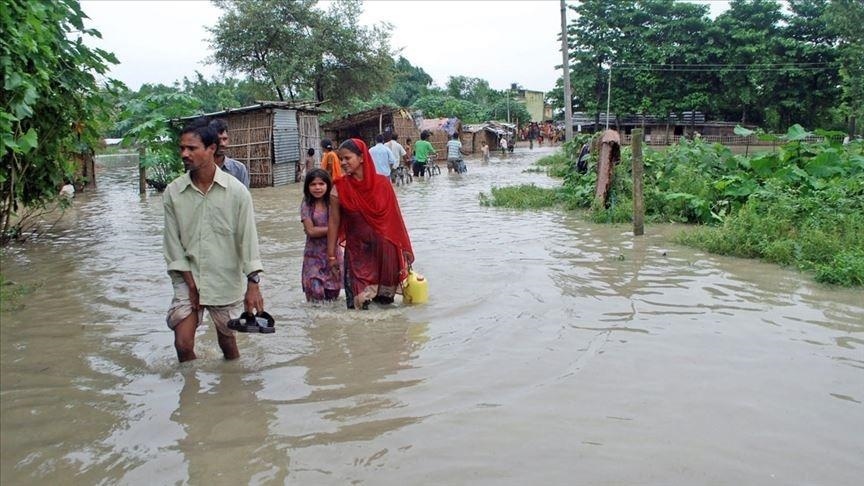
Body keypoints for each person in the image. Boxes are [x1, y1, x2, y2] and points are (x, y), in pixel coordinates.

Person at [163, 118, 264, 362]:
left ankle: (231, 388)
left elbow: (248, 239)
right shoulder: (173, 192)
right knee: (183, 344)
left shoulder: (237, 192)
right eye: (182, 148)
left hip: (223, 276)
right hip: (187, 278)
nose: (185, 154)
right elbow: (173, 245)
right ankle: (191, 394)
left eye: (192, 148)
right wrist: (192, 284)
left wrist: (253, 284)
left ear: (211, 149)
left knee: (227, 341)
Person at [326, 138, 414, 310]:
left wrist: (404, 248)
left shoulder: (383, 185)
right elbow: (334, 223)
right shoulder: (338, 188)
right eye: (341, 158)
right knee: (358, 307)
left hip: (385, 252)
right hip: (357, 253)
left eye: (347, 158)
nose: (343, 163)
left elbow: (395, 220)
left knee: (386, 308)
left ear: (361, 158)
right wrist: (331, 256)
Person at [301, 168, 343, 303]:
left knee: (333, 297)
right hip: (313, 258)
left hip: (333, 255)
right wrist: (335, 228)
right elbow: (311, 231)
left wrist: (333, 229)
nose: (317, 188)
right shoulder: (307, 204)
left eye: (321, 184)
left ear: (328, 185)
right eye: (313, 184)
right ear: (307, 187)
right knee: (315, 295)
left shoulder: (334, 203)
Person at [209, 118, 250, 188]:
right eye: (218, 140)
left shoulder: (239, 169)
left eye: (225, 139)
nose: (222, 144)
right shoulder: (200, 169)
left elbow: (244, 197)